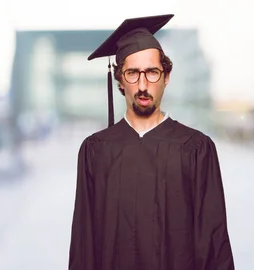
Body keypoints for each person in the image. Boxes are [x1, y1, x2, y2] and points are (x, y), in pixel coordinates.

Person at [68, 14, 234, 270]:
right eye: (133, 73)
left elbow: (213, 244)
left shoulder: (196, 149)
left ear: (166, 77)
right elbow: (83, 245)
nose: (143, 85)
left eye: (152, 72)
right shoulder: (96, 151)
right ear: (120, 80)